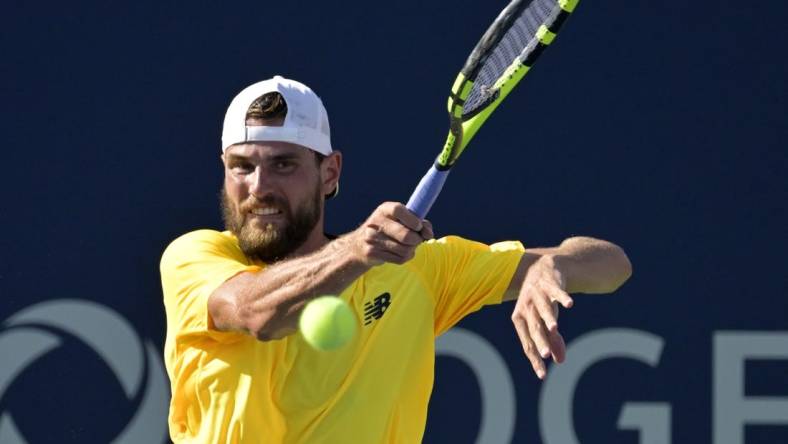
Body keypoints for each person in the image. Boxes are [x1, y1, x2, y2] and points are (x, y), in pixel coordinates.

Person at [160, 75, 632, 443]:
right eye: (241, 167)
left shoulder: (417, 272)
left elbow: (612, 265)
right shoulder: (194, 257)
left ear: (329, 173)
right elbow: (254, 312)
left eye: (283, 164)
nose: (258, 187)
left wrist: (553, 266)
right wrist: (354, 252)